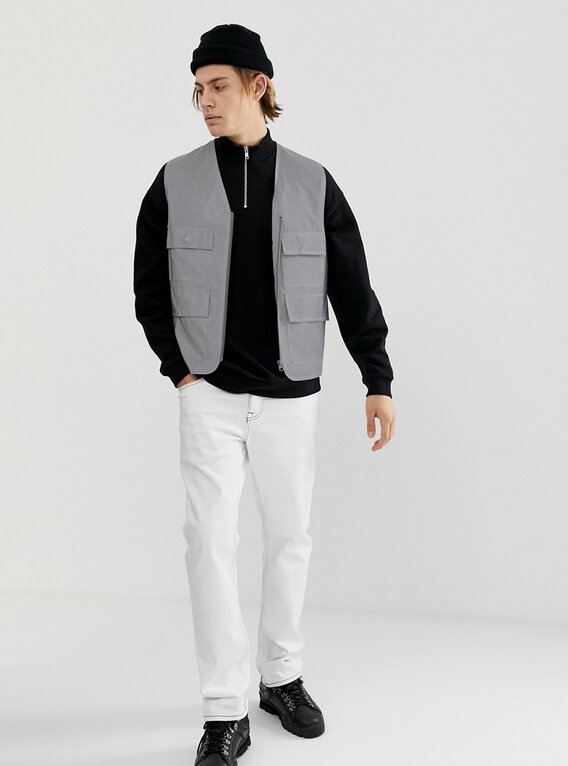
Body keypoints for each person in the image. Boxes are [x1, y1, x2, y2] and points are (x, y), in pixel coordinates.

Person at [133, 22, 396, 766]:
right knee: (210, 544)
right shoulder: (174, 181)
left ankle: (280, 676)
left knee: (289, 538)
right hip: (208, 393)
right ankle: (224, 710)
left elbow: (352, 286)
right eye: (198, 90)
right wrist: (179, 370)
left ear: (259, 85)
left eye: (218, 86)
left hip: (290, 395)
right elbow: (149, 288)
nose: (206, 102)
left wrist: (377, 378)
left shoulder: (314, 182)